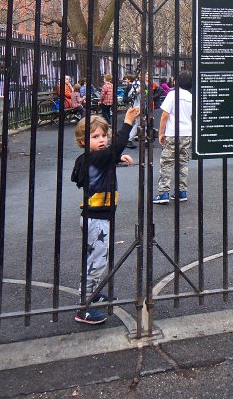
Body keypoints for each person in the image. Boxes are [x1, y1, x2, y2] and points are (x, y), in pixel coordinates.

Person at [70, 105, 139, 324]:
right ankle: (84, 306)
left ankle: (94, 292)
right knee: (97, 263)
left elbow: (103, 161)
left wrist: (117, 159)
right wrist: (127, 122)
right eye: (95, 136)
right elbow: (112, 150)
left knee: (98, 259)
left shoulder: (90, 159)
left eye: (104, 136)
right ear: (83, 142)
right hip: (96, 220)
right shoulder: (93, 157)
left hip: (99, 218)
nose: (102, 139)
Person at [153, 71, 193, 204]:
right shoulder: (190, 96)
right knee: (183, 163)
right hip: (187, 133)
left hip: (172, 133)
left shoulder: (172, 94)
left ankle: (163, 193)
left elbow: (165, 115)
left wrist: (161, 132)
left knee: (167, 163)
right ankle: (182, 192)